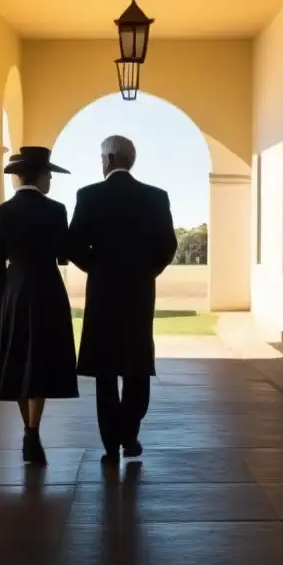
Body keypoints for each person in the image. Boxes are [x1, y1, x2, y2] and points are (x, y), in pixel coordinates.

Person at [68, 135, 177, 464]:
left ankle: (110, 442)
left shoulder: (88, 196)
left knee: (105, 369)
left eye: (102, 157)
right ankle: (130, 434)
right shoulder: (156, 198)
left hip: (102, 294)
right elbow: (168, 246)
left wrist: (97, 268)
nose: (101, 163)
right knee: (137, 364)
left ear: (111, 159)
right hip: (139, 293)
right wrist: (147, 271)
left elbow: (72, 245)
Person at [0, 146, 78, 465]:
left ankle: (28, 430)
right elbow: (63, 253)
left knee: (19, 358)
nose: (50, 180)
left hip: (14, 291)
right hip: (47, 289)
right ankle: (33, 429)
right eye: (49, 174)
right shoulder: (56, 210)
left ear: (19, 177)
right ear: (41, 176)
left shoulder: (0, 212)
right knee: (41, 361)